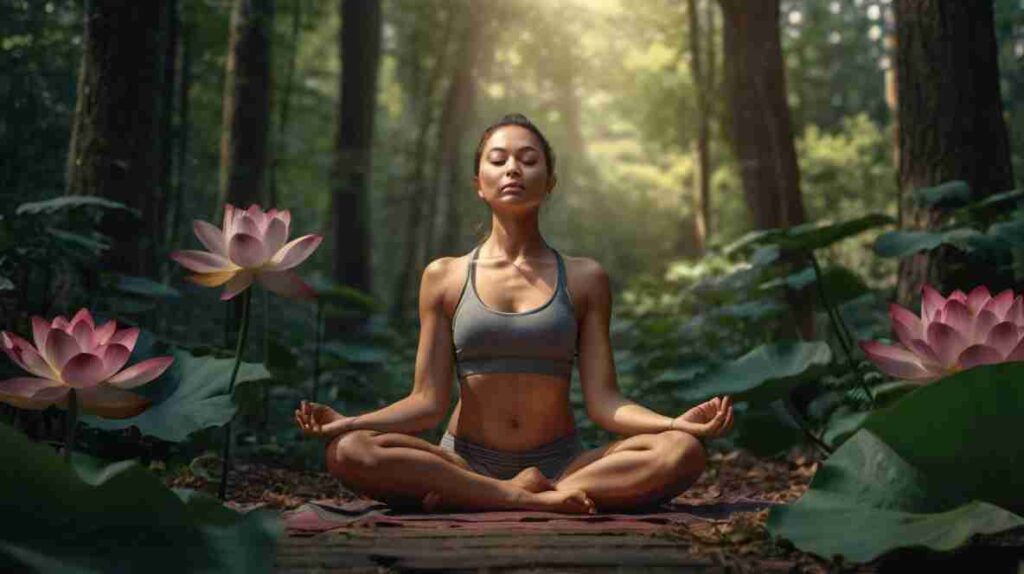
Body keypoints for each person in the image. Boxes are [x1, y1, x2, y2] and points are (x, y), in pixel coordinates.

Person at [295, 113, 734, 515]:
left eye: (528, 160)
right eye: (498, 159)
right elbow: (427, 402)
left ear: (549, 181)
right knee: (349, 450)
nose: (513, 169)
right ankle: (523, 498)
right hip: (461, 462)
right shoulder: (444, 276)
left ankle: (502, 496)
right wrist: (350, 422)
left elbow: (604, 402)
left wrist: (675, 423)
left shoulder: (585, 278)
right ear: (478, 182)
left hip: (563, 465)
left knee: (682, 451)